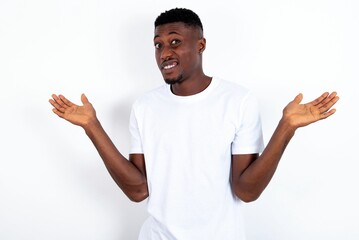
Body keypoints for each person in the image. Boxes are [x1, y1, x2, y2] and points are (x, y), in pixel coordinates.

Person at [49, 8, 339, 240]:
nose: (164, 53)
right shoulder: (145, 107)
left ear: (201, 45)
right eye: (158, 45)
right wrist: (92, 126)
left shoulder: (238, 101)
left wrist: (286, 127)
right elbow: (138, 190)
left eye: (175, 41)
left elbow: (247, 190)